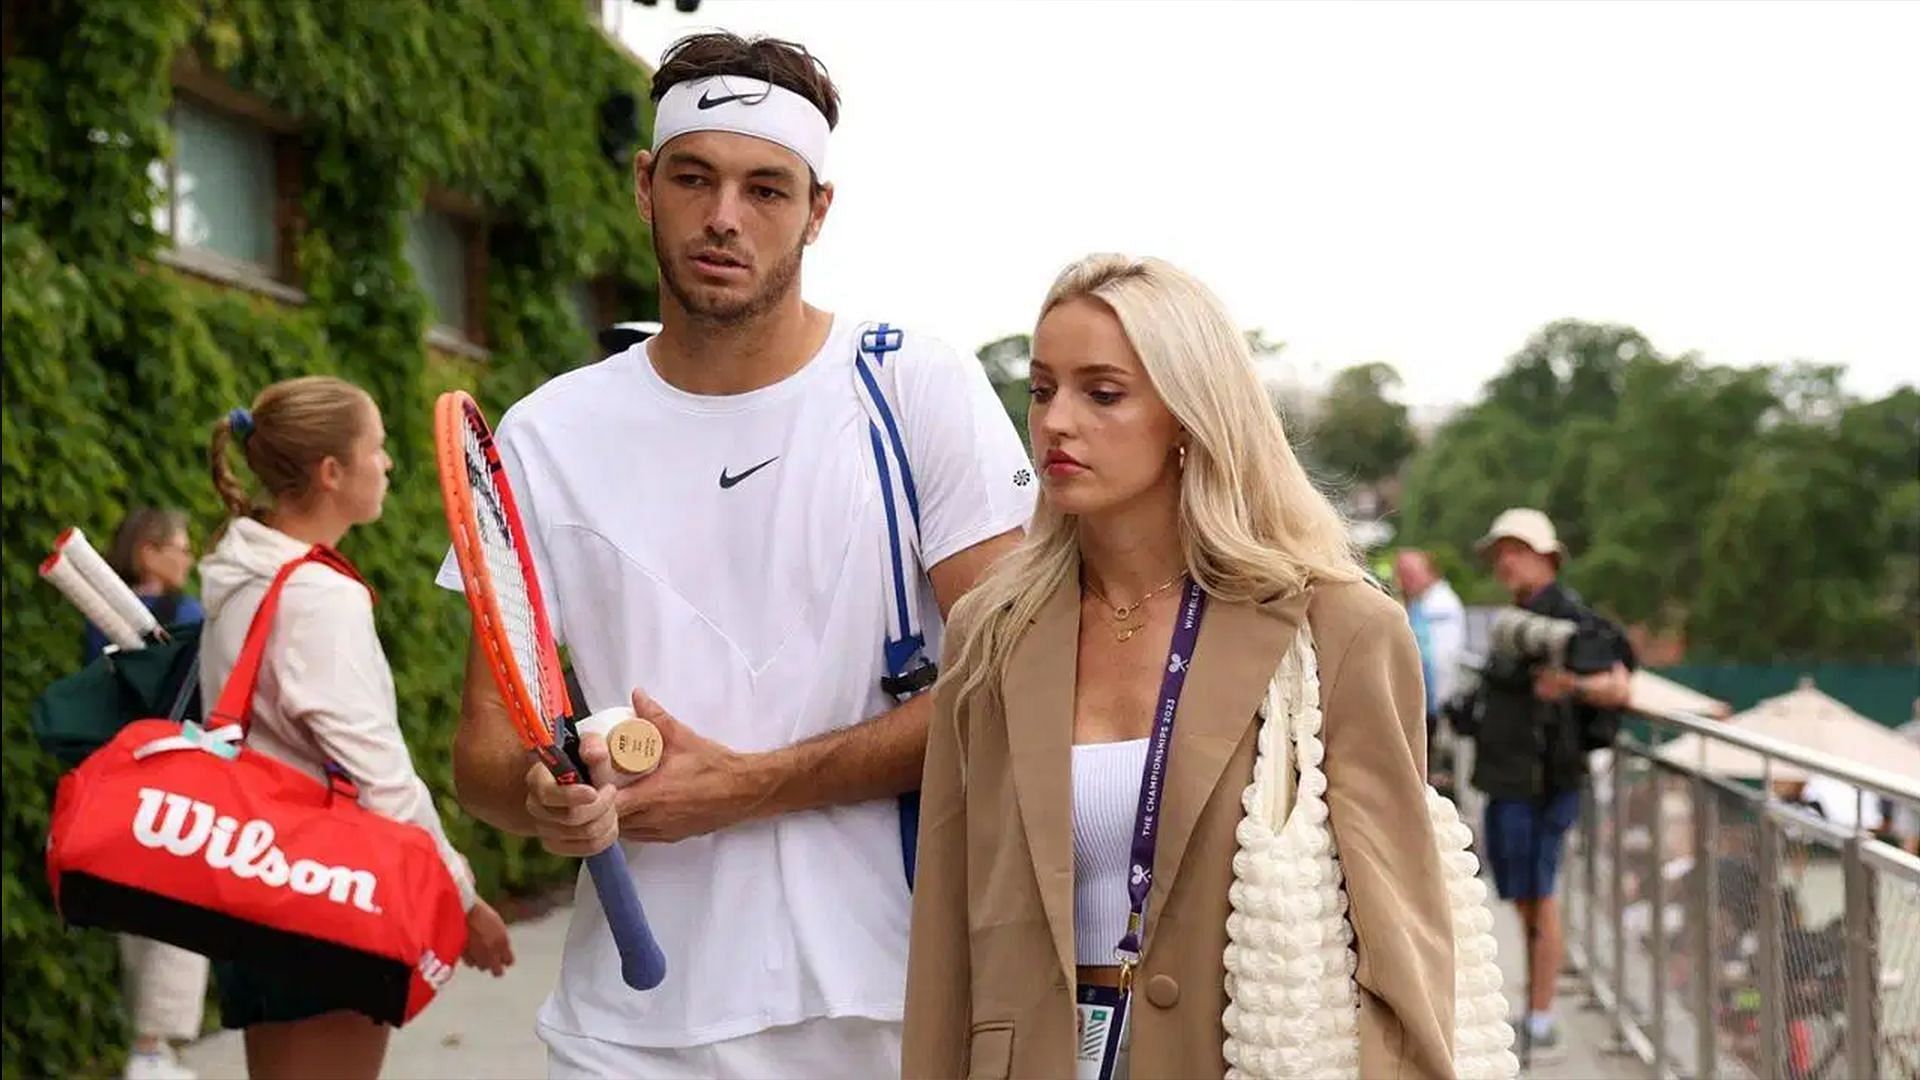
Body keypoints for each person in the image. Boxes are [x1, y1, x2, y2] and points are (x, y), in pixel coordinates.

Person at [440, 32, 1031, 1078]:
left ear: (817, 210)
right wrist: (541, 801)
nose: (725, 216)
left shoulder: (914, 387)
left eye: (767, 189)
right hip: (628, 1024)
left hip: (887, 1010)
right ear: (644, 185)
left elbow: (1013, 690)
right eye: (695, 177)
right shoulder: (543, 435)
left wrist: (752, 783)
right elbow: (485, 757)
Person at [900, 254, 1454, 1078]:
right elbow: (945, 933)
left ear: (1188, 416)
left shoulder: (1337, 627)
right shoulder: (992, 631)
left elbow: (1402, 942)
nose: (1057, 422)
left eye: (1104, 393)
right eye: (1043, 388)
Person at [199, 377, 514, 1079]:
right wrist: (459, 897)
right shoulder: (316, 594)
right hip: (324, 894)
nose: (389, 464)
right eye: (377, 449)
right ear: (331, 471)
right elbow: (379, 775)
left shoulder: (241, 575)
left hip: (252, 880)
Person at [1451, 507, 1633, 1055]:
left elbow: (1619, 683)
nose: (1506, 561)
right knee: (1524, 897)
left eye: (1517, 549)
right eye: (1500, 552)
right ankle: (1534, 1004)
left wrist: (1571, 685)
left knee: (1540, 896)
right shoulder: (1519, 619)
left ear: (1547, 557)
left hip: (1545, 782)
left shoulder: (1574, 620)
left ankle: (1541, 1011)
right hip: (1508, 779)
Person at [90, 509, 210, 1080]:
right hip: (174, 775)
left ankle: (150, 1046)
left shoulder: (99, 618)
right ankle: (150, 1049)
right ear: (148, 552)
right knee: (179, 910)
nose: (187, 560)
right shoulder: (183, 615)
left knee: (139, 912)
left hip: (117, 777)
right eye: (179, 549)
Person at [84, 508, 205, 663]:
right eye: (183, 551)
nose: (189, 561)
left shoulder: (100, 611)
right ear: (149, 554)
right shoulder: (188, 614)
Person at [1395, 548, 1466, 744]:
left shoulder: (1441, 605)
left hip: (1434, 702)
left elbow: (1436, 657)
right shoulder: (1414, 604)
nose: (1405, 580)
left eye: (1411, 574)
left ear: (1431, 572)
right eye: (1401, 574)